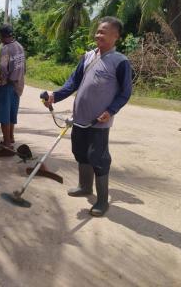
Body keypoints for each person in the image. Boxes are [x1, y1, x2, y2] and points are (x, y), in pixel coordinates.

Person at [43, 16, 132, 217]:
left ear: (116, 36)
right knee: (80, 152)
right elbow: (72, 83)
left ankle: (102, 201)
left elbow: (125, 93)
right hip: (80, 118)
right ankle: (85, 187)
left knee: (98, 158)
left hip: (99, 122)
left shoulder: (120, 62)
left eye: (104, 31)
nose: (98, 35)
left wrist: (110, 110)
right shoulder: (88, 57)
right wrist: (54, 96)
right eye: (98, 31)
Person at [0, 24, 26, 158]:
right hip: (18, 86)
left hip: (7, 85)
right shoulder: (20, 46)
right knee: (12, 113)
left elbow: (2, 66)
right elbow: (24, 67)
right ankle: (10, 138)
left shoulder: (6, 49)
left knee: (4, 114)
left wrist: (4, 79)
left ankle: (6, 144)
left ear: (2, 36)